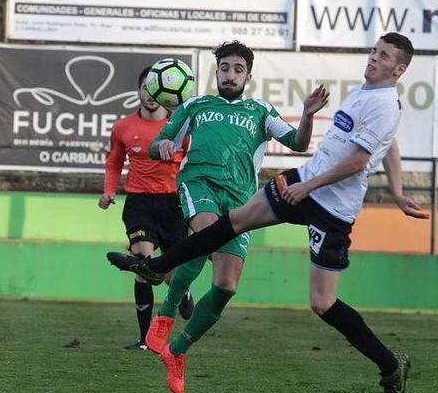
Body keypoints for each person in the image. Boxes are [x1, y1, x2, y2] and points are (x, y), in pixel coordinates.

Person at [108, 32, 426, 393]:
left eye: (384, 55)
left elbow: (359, 161)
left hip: (330, 206)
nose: (373, 58)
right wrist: (396, 188)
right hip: (299, 182)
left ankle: (391, 367)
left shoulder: (384, 106)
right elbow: (387, 144)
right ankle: (156, 271)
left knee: (321, 303)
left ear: (400, 68)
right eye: (374, 50)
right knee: (232, 222)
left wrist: (309, 184)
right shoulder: (363, 93)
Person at [126, 39, 328, 363]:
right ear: (215, 72)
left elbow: (298, 142)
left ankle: (177, 353)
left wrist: (307, 114)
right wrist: (162, 146)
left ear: (248, 77)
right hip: (199, 183)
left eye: (238, 69)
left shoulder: (260, 111)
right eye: (224, 68)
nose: (230, 74)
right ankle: (164, 317)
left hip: (240, 200)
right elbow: (159, 142)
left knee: (226, 285)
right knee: (205, 233)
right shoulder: (196, 106)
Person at [99, 66, 196, 350]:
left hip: (173, 203)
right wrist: (108, 191)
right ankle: (144, 339)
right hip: (139, 202)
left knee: (170, 273)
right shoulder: (123, 127)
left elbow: (194, 162)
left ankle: (183, 290)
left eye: (155, 89)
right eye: (145, 87)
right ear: (139, 90)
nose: (150, 94)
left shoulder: (180, 127)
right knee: (142, 263)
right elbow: (114, 162)